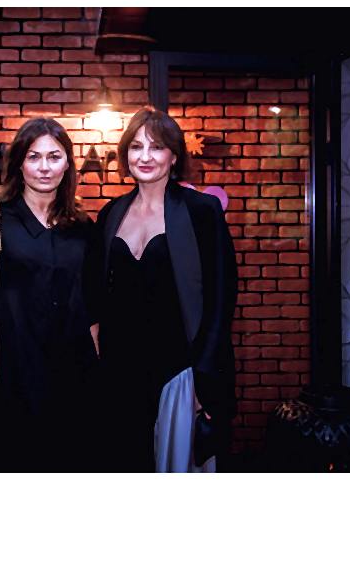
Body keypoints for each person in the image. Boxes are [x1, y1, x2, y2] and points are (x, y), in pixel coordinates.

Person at [84, 107, 238, 472]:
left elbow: (221, 299)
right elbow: (94, 290)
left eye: (156, 147)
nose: (145, 156)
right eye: (136, 147)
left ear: (174, 155)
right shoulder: (111, 213)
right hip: (119, 371)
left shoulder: (201, 211)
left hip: (179, 369)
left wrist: (204, 376)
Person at [0, 118, 97, 472]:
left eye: (54, 157)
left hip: (74, 379)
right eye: (34, 156)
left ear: (67, 164)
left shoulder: (82, 226)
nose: (44, 167)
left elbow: (93, 309)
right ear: (19, 163)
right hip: (10, 379)